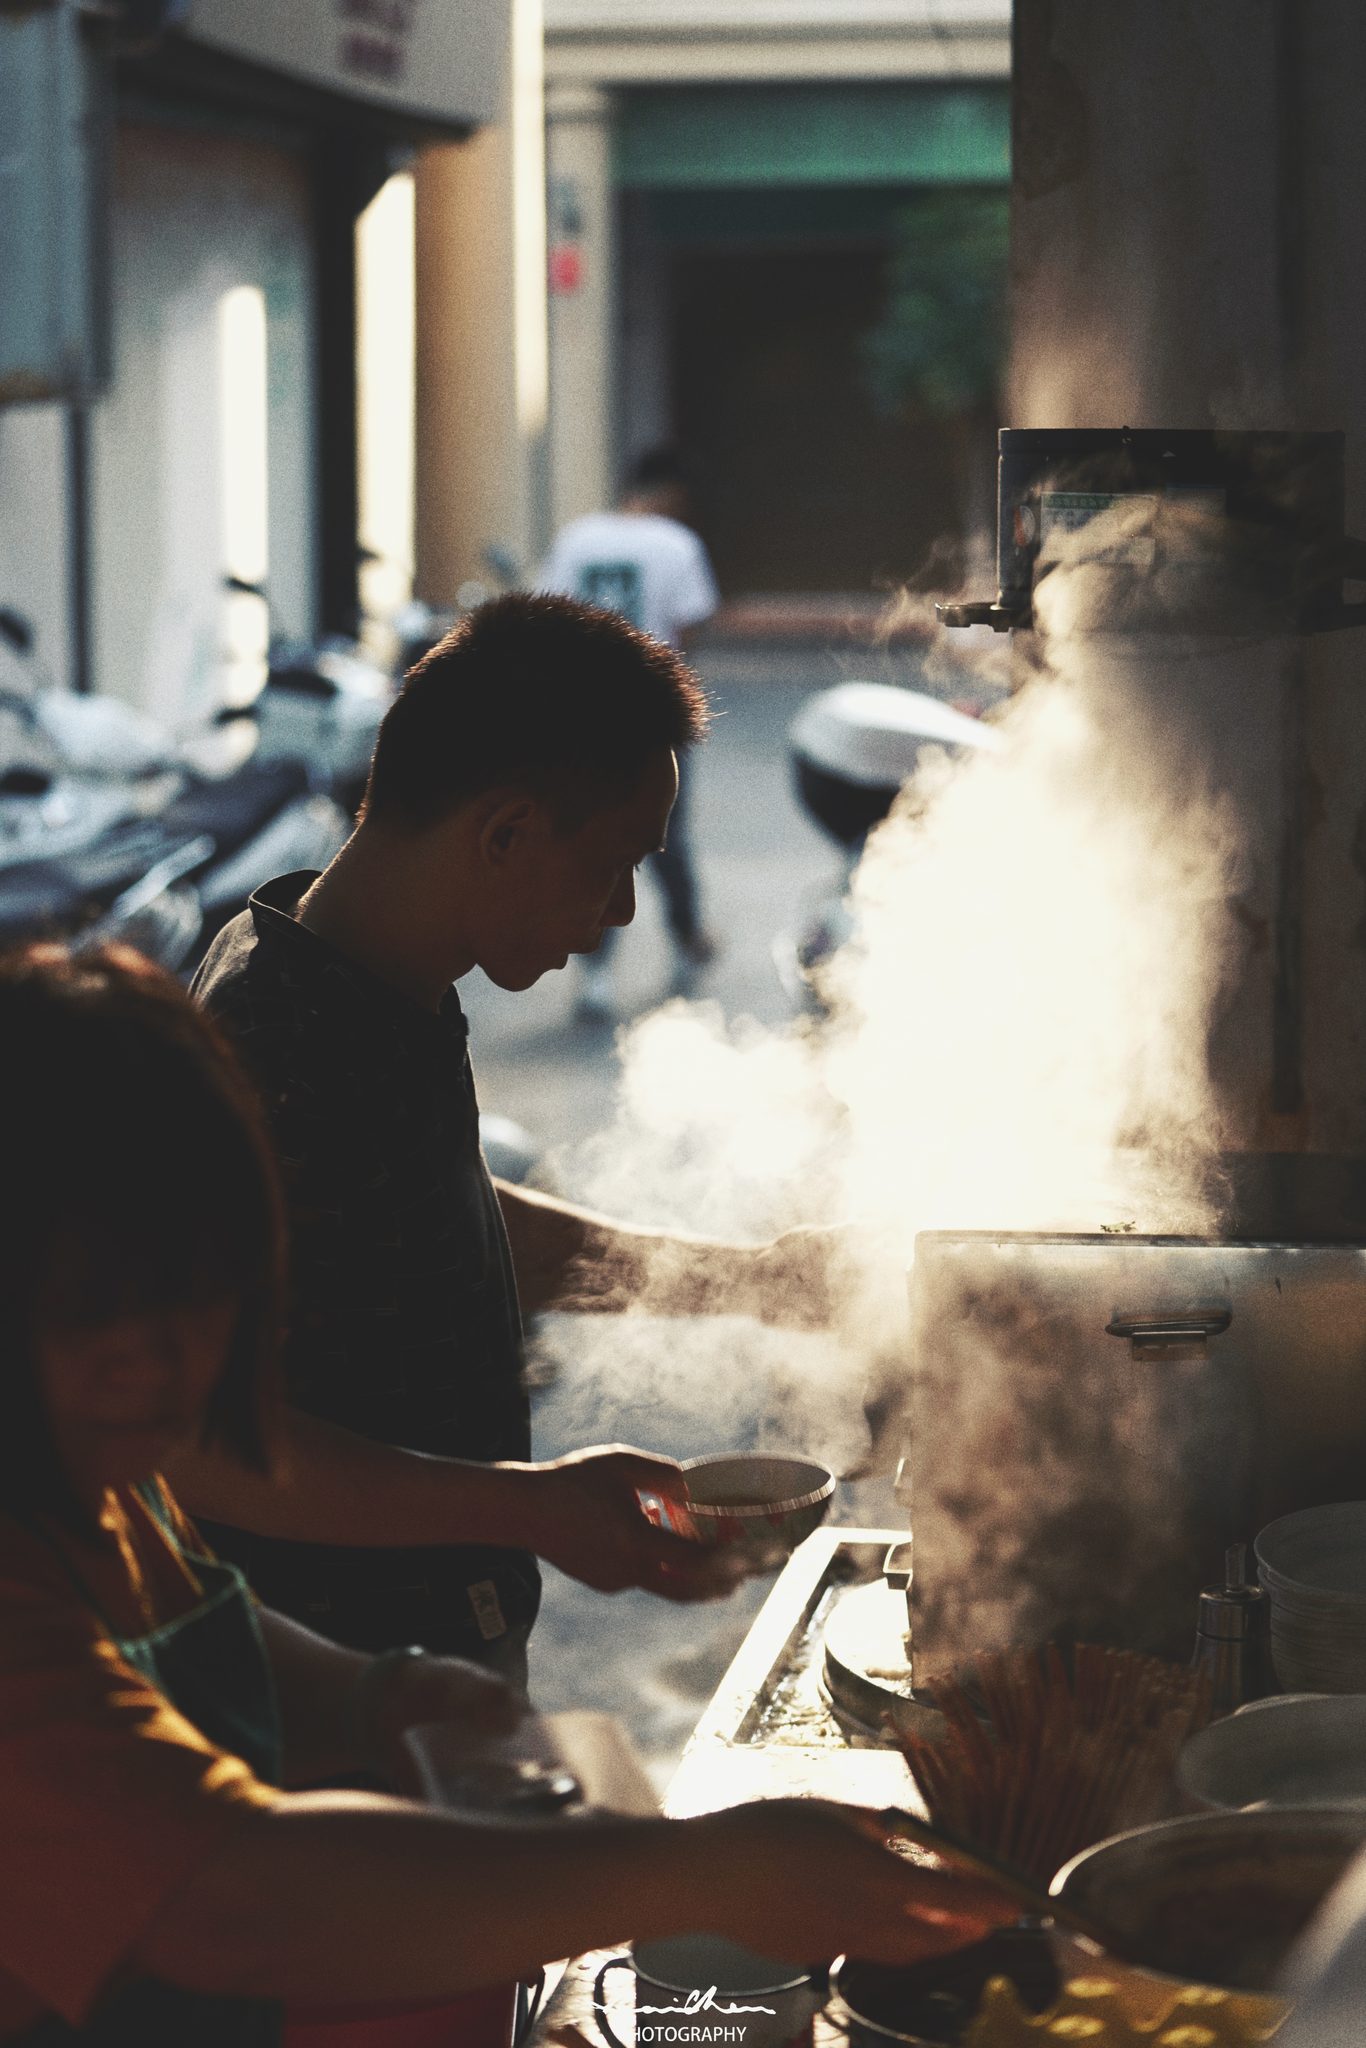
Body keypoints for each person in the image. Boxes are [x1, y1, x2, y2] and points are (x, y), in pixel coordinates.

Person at [0, 941, 1011, 2043]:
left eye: (192, 1285)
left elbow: (201, 1631)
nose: (150, 1354)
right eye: (85, 1302)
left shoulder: (97, 1478)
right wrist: (697, 1873)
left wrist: (381, 1693)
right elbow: (232, 1901)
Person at [186, 594, 842, 1680]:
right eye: (614, 862)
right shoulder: (272, 1045)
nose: (626, 910)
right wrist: (532, 1506)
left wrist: (749, 1281)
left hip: (431, 1660)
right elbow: (200, 1442)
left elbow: (434, 1214)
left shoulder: (367, 973)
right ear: (505, 832)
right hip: (324, 1696)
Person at [538, 446, 720, 1018]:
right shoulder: (677, 545)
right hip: (651, 713)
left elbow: (548, 616)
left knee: (593, 839)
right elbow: (689, 627)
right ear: (670, 495)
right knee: (661, 834)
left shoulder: (577, 539)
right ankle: (689, 939)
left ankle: (594, 972)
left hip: (582, 717)